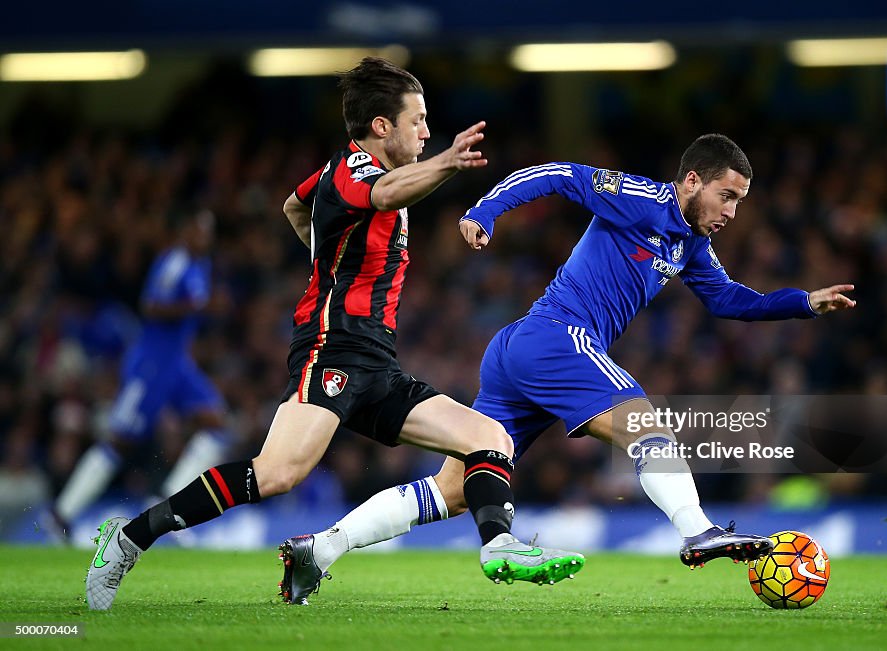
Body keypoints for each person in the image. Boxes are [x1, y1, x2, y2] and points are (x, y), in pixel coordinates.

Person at [84, 57, 583, 611]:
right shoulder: (354, 171)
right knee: (275, 474)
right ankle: (128, 538)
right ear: (380, 127)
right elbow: (386, 194)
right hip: (332, 350)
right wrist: (445, 162)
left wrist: (329, 260)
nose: (425, 131)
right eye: (416, 121)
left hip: (376, 361)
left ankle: (500, 547)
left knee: (490, 438)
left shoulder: (332, 177)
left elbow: (295, 205)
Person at [280, 133, 856, 604]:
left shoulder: (690, 246)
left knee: (454, 490)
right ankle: (696, 530)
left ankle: (319, 549)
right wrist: (486, 210)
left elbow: (731, 300)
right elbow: (556, 174)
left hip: (519, 352)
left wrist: (803, 302)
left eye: (740, 202)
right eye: (726, 196)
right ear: (693, 181)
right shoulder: (641, 197)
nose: (732, 212)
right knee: (646, 426)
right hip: (555, 337)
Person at [48, 207, 232, 541]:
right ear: (186, 231)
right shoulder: (174, 261)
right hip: (151, 363)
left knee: (217, 424)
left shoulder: (200, 264)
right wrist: (198, 308)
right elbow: (151, 306)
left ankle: (170, 505)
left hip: (177, 364)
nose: (205, 237)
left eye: (209, 231)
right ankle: (60, 514)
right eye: (200, 230)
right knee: (121, 440)